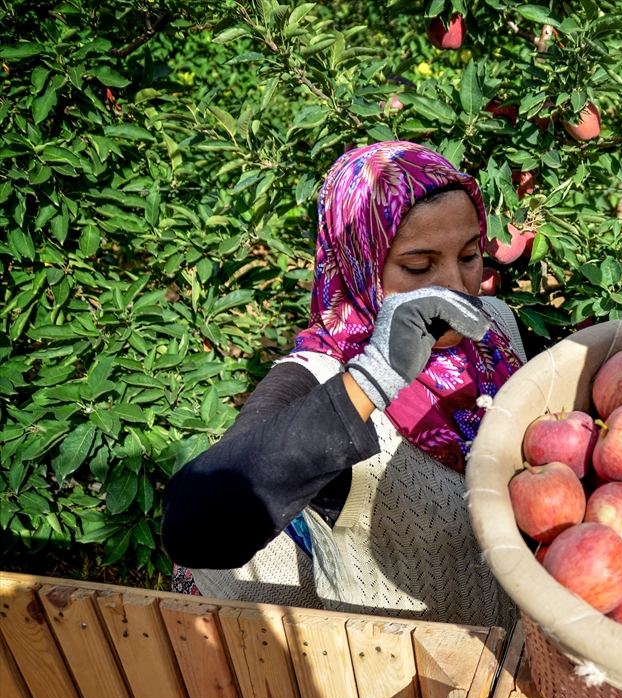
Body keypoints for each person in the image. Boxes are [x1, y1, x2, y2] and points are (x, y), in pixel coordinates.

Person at [162, 141, 532, 628]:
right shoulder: (320, 375)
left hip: (519, 646)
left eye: (468, 256)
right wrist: (374, 376)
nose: (454, 287)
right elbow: (194, 529)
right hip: (393, 663)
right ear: (360, 261)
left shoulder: (497, 329)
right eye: (418, 267)